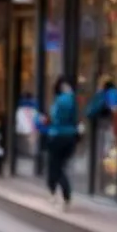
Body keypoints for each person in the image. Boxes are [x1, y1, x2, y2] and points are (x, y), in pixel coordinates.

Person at [45, 75, 80, 210]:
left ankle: (61, 194)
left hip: (57, 136)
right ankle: (60, 195)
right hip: (70, 137)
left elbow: (54, 117)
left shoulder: (60, 100)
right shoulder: (73, 100)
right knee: (60, 167)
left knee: (55, 167)